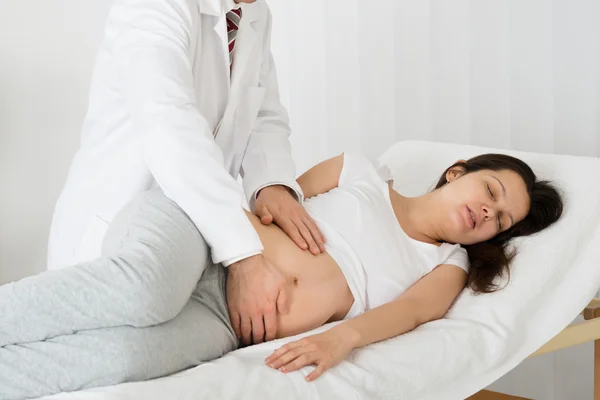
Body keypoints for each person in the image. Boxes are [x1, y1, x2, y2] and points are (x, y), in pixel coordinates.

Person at [0, 152, 563, 399]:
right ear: (458, 172)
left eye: (502, 220)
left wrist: (339, 338)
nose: (489, 213)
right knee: (143, 290)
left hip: (229, 321)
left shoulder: (446, 265)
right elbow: (268, 194)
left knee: (124, 364)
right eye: (491, 192)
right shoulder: (361, 171)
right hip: (202, 238)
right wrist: (249, 246)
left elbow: (410, 313)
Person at [46, 0, 325, 347]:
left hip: (187, 243)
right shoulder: (155, 6)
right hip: (117, 228)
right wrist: (244, 258)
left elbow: (264, 113)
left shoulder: (253, 13)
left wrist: (271, 184)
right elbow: (171, 129)